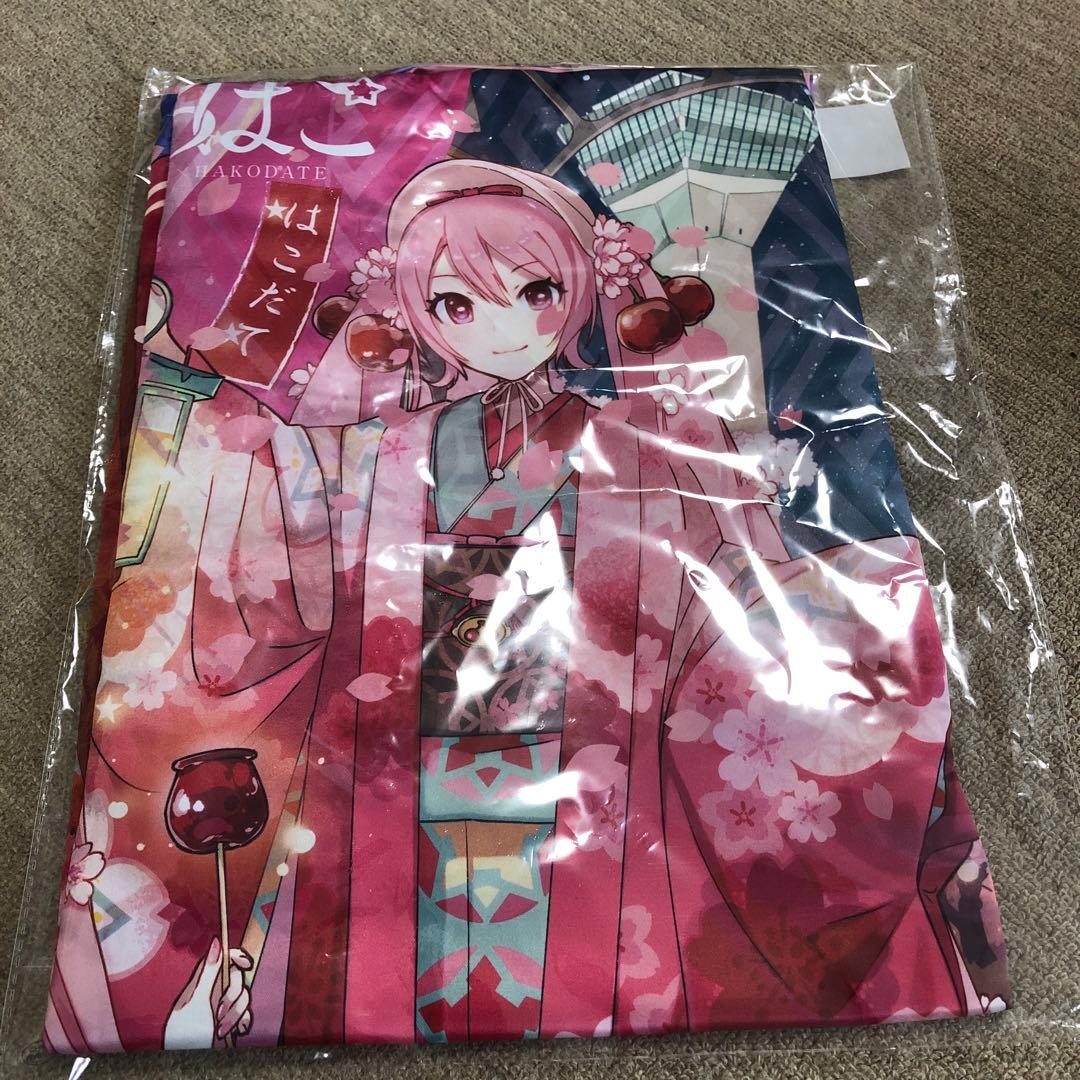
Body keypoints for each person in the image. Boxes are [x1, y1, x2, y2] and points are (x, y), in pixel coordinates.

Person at [46, 161, 1007, 1053]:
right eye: (455, 303)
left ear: (579, 292)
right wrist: (184, 387)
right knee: (381, 943)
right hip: (403, 761)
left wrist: (851, 625)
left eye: (536, 290)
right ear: (417, 313)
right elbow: (275, 512)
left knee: (609, 940)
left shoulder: (657, 438)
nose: (500, 326)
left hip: (594, 766)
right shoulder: (380, 450)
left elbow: (738, 594)